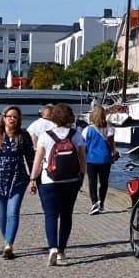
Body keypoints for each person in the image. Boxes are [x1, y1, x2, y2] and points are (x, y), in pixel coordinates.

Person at [27, 103, 85, 266]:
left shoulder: (46, 136)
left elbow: (38, 160)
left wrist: (32, 179)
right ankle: (61, 251)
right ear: (70, 117)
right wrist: (82, 175)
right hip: (71, 180)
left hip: (48, 180)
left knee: (51, 215)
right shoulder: (76, 135)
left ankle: (52, 247)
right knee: (66, 215)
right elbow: (82, 157)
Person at [0, 106, 35, 260]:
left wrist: (33, 179)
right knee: (2, 215)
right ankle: (7, 240)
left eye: (15, 117)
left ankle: (8, 244)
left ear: (19, 120)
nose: (12, 119)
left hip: (18, 178)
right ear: (3, 117)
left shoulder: (23, 136)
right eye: (9, 116)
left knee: (13, 212)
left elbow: (30, 157)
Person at [82, 104, 118, 214]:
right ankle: (101, 203)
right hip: (105, 159)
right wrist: (114, 152)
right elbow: (112, 144)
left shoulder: (87, 130)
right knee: (104, 182)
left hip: (91, 159)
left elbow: (83, 146)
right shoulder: (109, 128)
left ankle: (94, 203)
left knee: (92, 181)